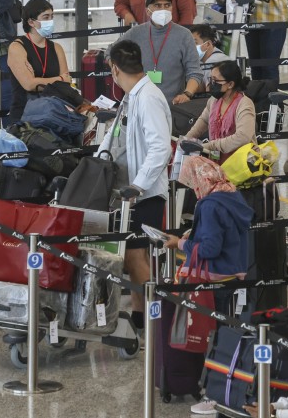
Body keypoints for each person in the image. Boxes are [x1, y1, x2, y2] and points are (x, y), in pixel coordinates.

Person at [96, 41, 172, 331]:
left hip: (145, 193)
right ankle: (142, 317)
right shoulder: (132, 95)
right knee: (132, 255)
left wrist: (138, 186)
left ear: (115, 69)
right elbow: (115, 136)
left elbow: (160, 148)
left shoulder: (149, 97)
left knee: (135, 255)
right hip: (126, 192)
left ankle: (156, 317)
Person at [163, 155, 253, 314]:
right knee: (225, 327)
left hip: (213, 279)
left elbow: (210, 249)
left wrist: (179, 244)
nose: (194, 189)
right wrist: (195, 232)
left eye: (192, 183)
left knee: (209, 332)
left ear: (200, 179)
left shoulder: (210, 205)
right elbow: (226, 229)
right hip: (232, 271)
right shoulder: (231, 193)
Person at [121, 0, 203, 106]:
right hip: (139, 103)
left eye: (167, 5)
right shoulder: (135, 33)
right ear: (148, 11)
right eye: (157, 5)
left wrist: (187, 94)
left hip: (171, 106)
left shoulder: (184, 35)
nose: (163, 9)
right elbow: (111, 53)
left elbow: (194, 71)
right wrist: (124, 80)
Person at [7, 0, 71, 121]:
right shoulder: (17, 47)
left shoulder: (57, 48)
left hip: (52, 113)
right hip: (24, 115)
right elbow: (29, 85)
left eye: (52, 16)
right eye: (46, 17)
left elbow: (66, 83)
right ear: (31, 22)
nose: (50, 21)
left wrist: (39, 81)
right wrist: (59, 79)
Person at [182, 60, 255, 159]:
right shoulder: (213, 100)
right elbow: (203, 121)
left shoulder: (245, 104)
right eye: (211, 79)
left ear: (230, 84)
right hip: (216, 157)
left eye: (215, 81)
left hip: (239, 162)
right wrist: (186, 140)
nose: (211, 84)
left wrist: (211, 146)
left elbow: (243, 137)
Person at [192, 24, 230, 88]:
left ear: (208, 44)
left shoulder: (214, 62)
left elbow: (207, 92)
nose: (190, 47)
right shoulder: (214, 54)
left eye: (195, 43)